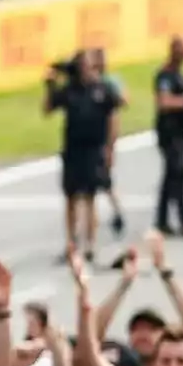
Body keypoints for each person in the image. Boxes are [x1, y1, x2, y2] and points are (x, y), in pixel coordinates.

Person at [47, 51, 119, 257]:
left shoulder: (103, 89)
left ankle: (90, 243)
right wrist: (50, 85)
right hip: (73, 150)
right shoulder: (70, 90)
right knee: (71, 197)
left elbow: (114, 115)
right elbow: (48, 108)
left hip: (94, 149)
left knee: (90, 197)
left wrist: (110, 147)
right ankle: (71, 242)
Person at [153, 37, 183, 238]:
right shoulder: (165, 75)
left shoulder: (179, 74)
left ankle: (162, 219)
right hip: (170, 132)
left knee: (171, 176)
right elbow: (164, 102)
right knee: (177, 175)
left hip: (180, 131)